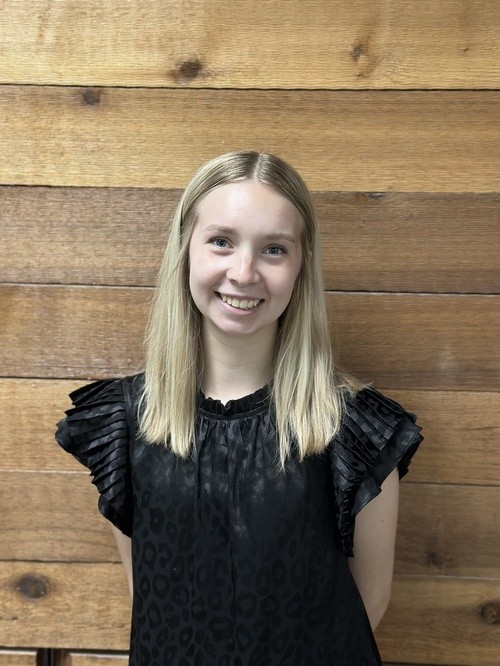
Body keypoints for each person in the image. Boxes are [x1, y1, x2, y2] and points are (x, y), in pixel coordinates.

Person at [56, 150, 423, 665]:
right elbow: (152, 601)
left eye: (273, 249)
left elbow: (367, 604)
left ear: (300, 266)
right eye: (222, 241)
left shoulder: (355, 430)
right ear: (185, 249)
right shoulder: (125, 422)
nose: (244, 272)